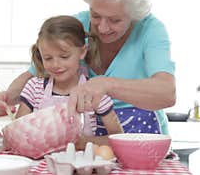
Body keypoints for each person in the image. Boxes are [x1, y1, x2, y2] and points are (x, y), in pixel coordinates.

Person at [0, 0, 175, 136]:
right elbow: (35, 73)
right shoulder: (78, 24)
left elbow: (167, 93)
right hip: (87, 137)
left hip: (140, 134)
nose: (102, 28)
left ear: (134, 14)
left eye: (115, 20)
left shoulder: (151, 30)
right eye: (96, 15)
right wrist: (5, 99)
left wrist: (106, 84)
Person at [14, 15, 123, 149]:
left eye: (64, 57)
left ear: (82, 52)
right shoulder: (34, 88)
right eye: (48, 58)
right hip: (41, 164)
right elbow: (18, 133)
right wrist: (7, 138)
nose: (56, 64)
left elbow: (117, 138)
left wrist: (86, 142)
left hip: (82, 164)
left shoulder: (94, 92)